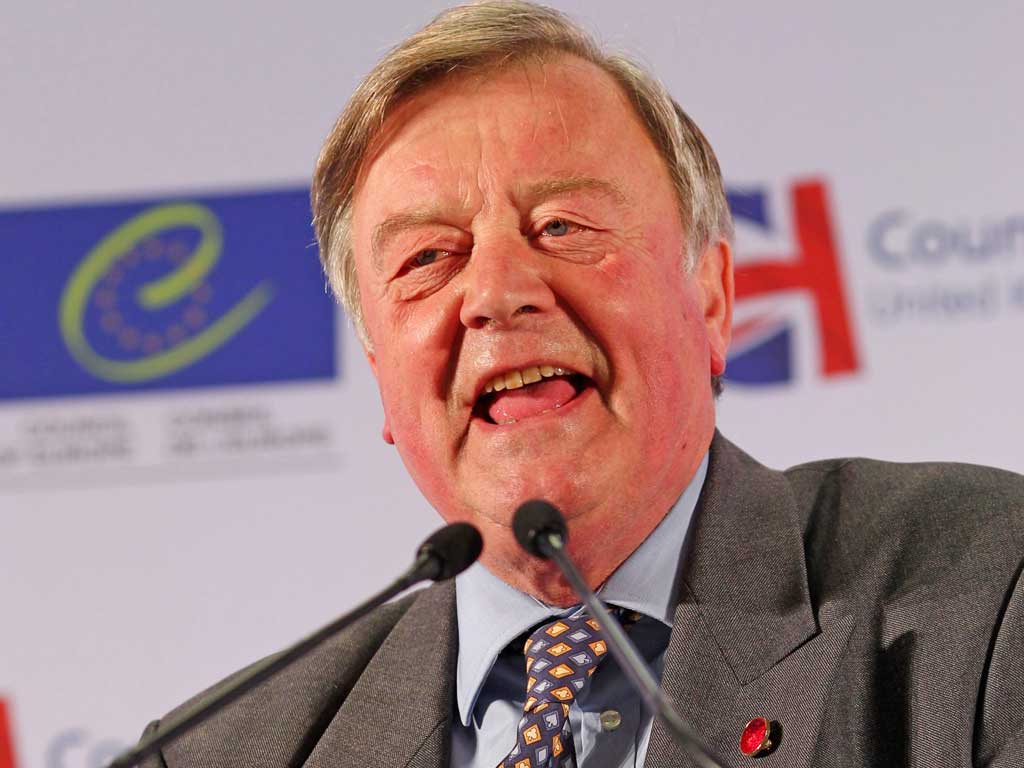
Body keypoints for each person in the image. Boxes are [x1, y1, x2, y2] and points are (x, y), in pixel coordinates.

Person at [138, 2, 1024, 766]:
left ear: (712, 300)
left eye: (562, 225)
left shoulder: (989, 596)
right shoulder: (225, 751)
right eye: (429, 257)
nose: (495, 293)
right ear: (381, 376)